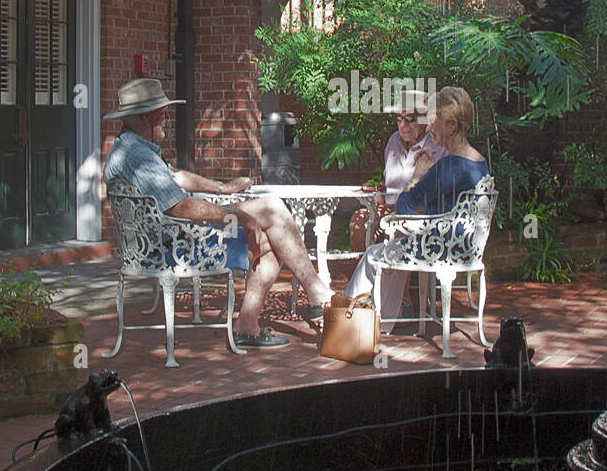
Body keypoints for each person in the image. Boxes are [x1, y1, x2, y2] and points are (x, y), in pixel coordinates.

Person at [103, 78, 333, 349]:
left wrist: (223, 188)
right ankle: (316, 293)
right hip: (172, 248)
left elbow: (177, 178)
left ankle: (249, 325)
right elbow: (180, 206)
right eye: (163, 113)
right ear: (146, 116)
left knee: (271, 239)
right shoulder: (138, 156)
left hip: (160, 243)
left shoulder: (130, 148)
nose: (167, 118)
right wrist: (236, 214)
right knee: (270, 208)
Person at [346, 86, 489, 333]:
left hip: (438, 247)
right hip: (463, 246)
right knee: (389, 248)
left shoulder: (448, 166)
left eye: (434, 122)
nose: (430, 128)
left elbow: (404, 205)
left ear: (452, 126)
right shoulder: (478, 162)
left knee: (373, 254)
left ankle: (349, 322)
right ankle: (380, 323)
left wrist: (418, 175)